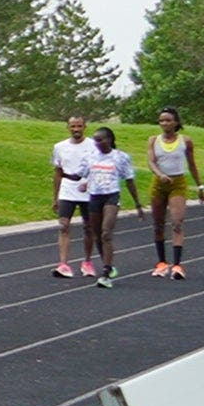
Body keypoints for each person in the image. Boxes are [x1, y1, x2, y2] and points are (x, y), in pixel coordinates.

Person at [147, 108, 204, 279]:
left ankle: (177, 265)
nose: (164, 124)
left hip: (178, 184)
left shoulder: (185, 141)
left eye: (168, 120)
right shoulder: (153, 140)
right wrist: (160, 174)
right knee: (158, 225)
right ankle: (161, 263)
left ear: (176, 122)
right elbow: (151, 162)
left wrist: (200, 186)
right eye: (161, 121)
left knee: (177, 222)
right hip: (159, 184)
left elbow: (192, 165)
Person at [84, 127, 142, 287]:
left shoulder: (120, 157)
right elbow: (83, 175)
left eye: (100, 139)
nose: (97, 143)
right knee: (96, 235)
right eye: (95, 140)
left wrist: (137, 203)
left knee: (106, 233)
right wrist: (80, 182)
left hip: (111, 196)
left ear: (109, 139)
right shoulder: (90, 157)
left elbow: (129, 180)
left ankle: (105, 273)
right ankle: (107, 264)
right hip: (95, 196)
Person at [49, 114, 93, 279]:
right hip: (67, 188)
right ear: (68, 127)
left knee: (88, 227)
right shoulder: (59, 147)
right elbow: (57, 172)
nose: (76, 129)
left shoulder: (93, 146)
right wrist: (55, 197)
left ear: (84, 127)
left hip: (87, 189)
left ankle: (87, 262)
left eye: (79, 126)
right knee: (63, 225)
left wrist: (90, 183)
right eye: (73, 126)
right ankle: (63, 263)